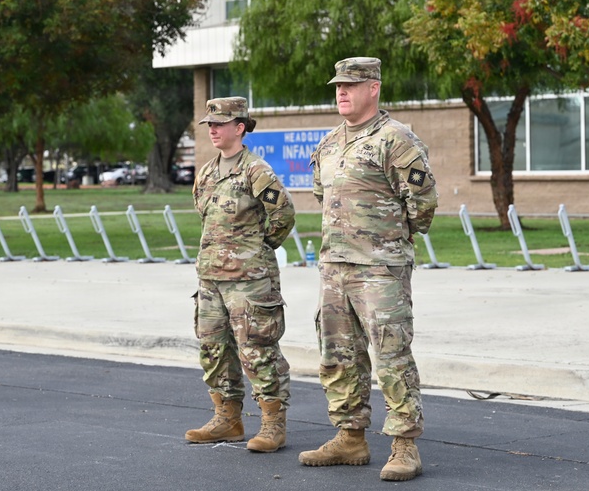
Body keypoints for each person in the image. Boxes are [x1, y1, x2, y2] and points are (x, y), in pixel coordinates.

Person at [299, 57, 438, 482]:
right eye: (338, 86)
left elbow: (423, 205)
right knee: (338, 356)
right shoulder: (328, 143)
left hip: (380, 269)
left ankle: (405, 445)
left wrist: (388, 240)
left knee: (392, 355)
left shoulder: (395, 139)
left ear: (373, 88)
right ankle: (350, 437)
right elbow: (323, 196)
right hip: (334, 267)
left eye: (350, 85)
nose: (341, 92)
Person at [186, 96, 296, 453]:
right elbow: (206, 216)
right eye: (210, 125)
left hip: (249, 282)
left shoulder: (256, 171)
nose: (213, 130)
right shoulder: (206, 172)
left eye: (220, 124)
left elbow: (283, 215)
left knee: (257, 351)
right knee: (213, 350)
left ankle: (273, 424)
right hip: (210, 279)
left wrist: (256, 250)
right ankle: (227, 419)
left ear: (240, 127)